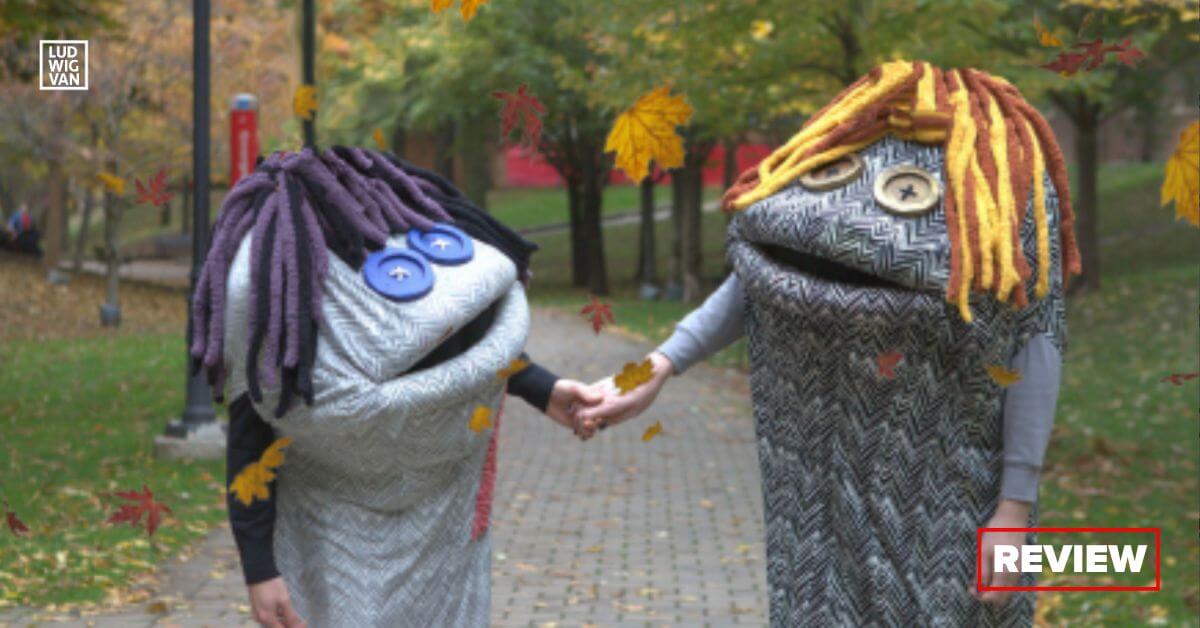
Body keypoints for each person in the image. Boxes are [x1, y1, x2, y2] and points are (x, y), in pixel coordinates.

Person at [577, 61, 1078, 626]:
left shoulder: (1005, 205)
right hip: (822, 517)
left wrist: (1013, 511)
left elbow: (1036, 346)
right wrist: (653, 370)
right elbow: (753, 287)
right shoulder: (842, 184)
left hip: (956, 512)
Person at [191, 146, 602, 627]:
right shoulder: (285, 303)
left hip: (439, 527)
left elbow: (464, 342)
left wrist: (543, 388)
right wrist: (260, 569)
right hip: (330, 533)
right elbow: (253, 430)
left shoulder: (389, 271)